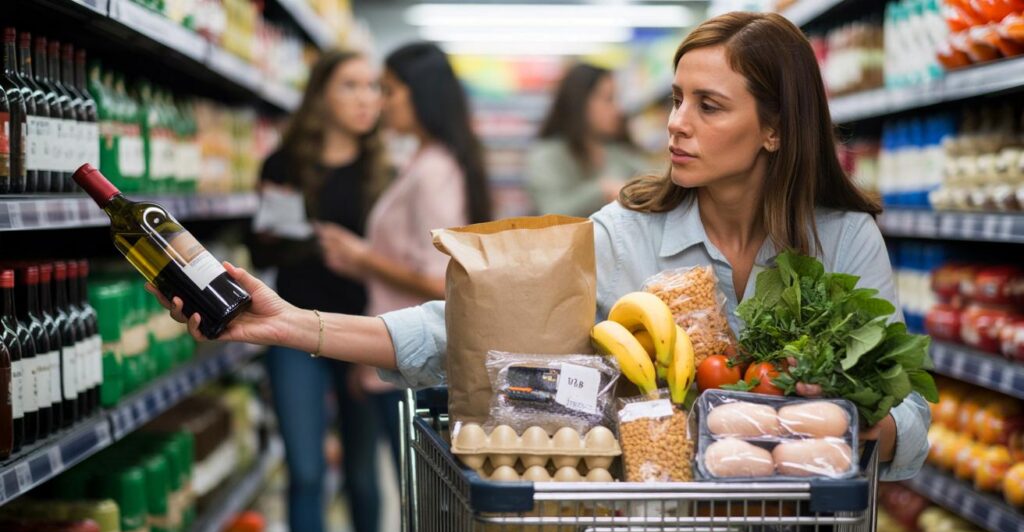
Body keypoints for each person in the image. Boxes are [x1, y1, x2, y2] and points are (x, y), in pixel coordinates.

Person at [152, 13, 930, 482]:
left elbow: (909, 401)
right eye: (674, 99)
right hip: (654, 518)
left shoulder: (843, 238)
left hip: (791, 531)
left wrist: (848, 427)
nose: (674, 124)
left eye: (708, 105)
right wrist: (292, 322)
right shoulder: (625, 230)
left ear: (774, 128)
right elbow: (468, 323)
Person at [315, 42, 491, 478]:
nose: (379, 101)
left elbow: (441, 281)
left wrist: (364, 257)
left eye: (388, 90)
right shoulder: (426, 161)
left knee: (422, 504)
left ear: (419, 93)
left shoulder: (433, 172)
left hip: (415, 361)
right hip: (403, 353)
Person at [246, 50, 390, 532]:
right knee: (305, 471)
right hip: (292, 331)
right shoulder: (283, 166)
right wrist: (307, 243)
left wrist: (358, 256)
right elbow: (261, 252)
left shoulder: (385, 172)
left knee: (361, 473)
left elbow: (396, 262)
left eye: (373, 86)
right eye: (350, 85)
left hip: (366, 334)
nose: (365, 98)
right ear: (321, 94)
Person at [526, 63, 648, 217]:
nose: (617, 109)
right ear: (580, 101)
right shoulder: (546, 156)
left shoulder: (619, 153)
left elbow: (653, 182)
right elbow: (551, 213)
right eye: (608, 99)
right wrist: (602, 191)